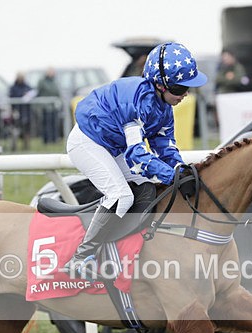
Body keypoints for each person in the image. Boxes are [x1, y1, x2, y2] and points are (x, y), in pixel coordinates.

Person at [64, 41, 207, 277]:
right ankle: (81, 257)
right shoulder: (138, 102)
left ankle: (119, 246)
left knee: (146, 188)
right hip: (87, 142)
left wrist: (182, 170)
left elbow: (166, 149)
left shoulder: (164, 110)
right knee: (120, 195)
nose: (186, 95)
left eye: (188, 88)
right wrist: (172, 176)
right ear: (160, 85)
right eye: (180, 89)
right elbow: (137, 156)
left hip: (112, 145)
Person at [9, 72, 34, 150]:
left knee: (26, 130)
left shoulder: (27, 86)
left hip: (26, 112)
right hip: (17, 112)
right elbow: (11, 97)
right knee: (15, 130)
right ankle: (14, 146)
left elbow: (32, 93)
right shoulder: (13, 87)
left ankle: (26, 146)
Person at [35, 67, 61, 144]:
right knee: (46, 124)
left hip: (54, 106)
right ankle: (47, 140)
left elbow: (57, 92)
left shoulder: (55, 81)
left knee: (54, 123)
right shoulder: (42, 81)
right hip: (45, 106)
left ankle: (54, 139)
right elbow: (38, 92)